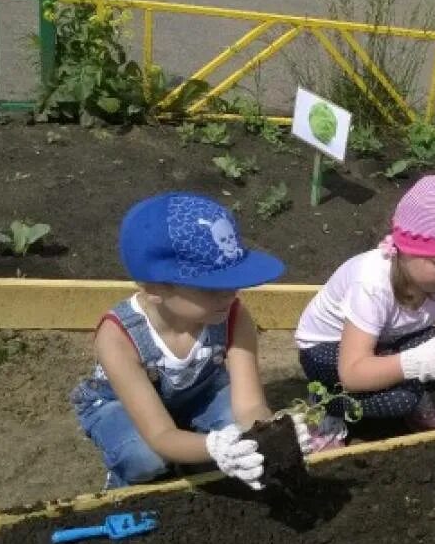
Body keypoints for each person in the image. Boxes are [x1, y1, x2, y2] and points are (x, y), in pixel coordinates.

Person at [70, 192, 284, 489]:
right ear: (155, 289)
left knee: (239, 433)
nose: (230, 294)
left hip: (198, 394)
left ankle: (191, 446)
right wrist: (213, 448)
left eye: (233, 281)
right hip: (120, 404)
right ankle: (122, 480)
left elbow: (250, 407)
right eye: (211, 287)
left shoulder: (233, 316)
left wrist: (267, 437)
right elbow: (159, 435)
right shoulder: (118, 337)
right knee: (144, 458)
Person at [294, 175, 435, 444]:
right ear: (405, 250)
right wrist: (419, 364)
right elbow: (353, 372)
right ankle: (325, 405)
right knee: (400, 400)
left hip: (385, 341)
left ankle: (403, 378)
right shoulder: (372, 283)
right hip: (329, 351)